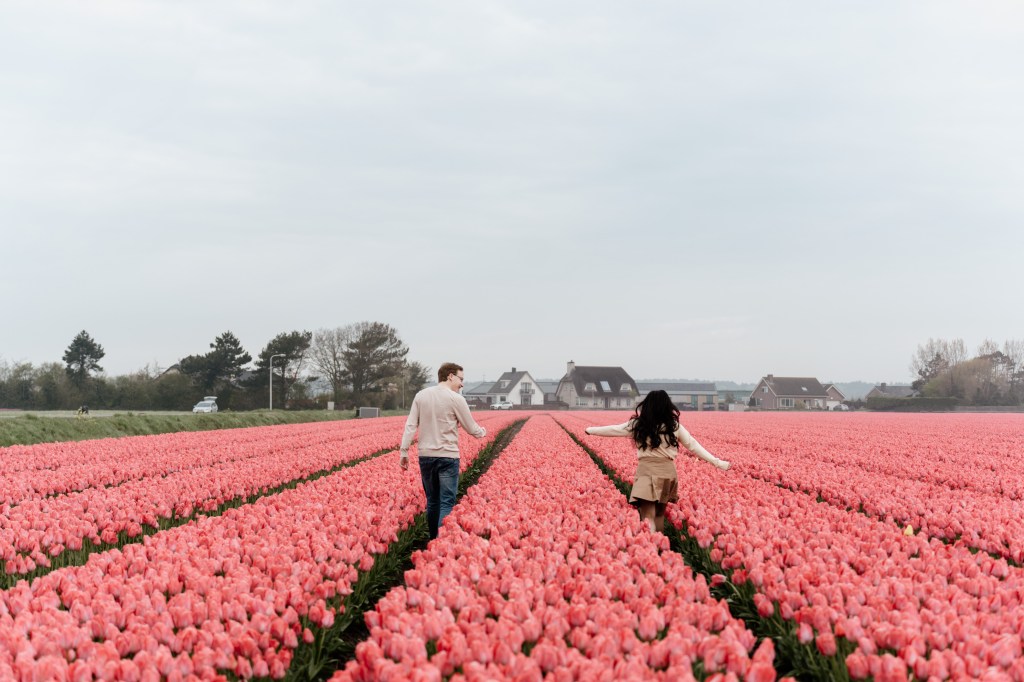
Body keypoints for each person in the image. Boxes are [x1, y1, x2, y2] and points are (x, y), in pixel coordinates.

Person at [585, 390, 730, 533]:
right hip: (667, 473)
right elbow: (694, 446)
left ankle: (651, 544)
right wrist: (718, 462)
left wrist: (590, 430)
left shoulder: (639, 424)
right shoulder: (674, 426)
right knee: (659, 515)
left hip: (646, 472)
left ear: (647, 406)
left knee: (648, 515)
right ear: (667, 406)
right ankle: (658, 544)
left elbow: (614, 430)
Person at [400, 362, 487, 539]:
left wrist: (404, 451)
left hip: (426, 456)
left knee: (432, 501)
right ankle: (441, 543)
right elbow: (471, 428)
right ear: (450, 376)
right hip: (448, 456)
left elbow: (411, 425)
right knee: (446, 502)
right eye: (460, 379)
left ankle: (433, 540)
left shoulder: (421, 396)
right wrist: (483, 432)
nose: (462, 384)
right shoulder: (456, 399)